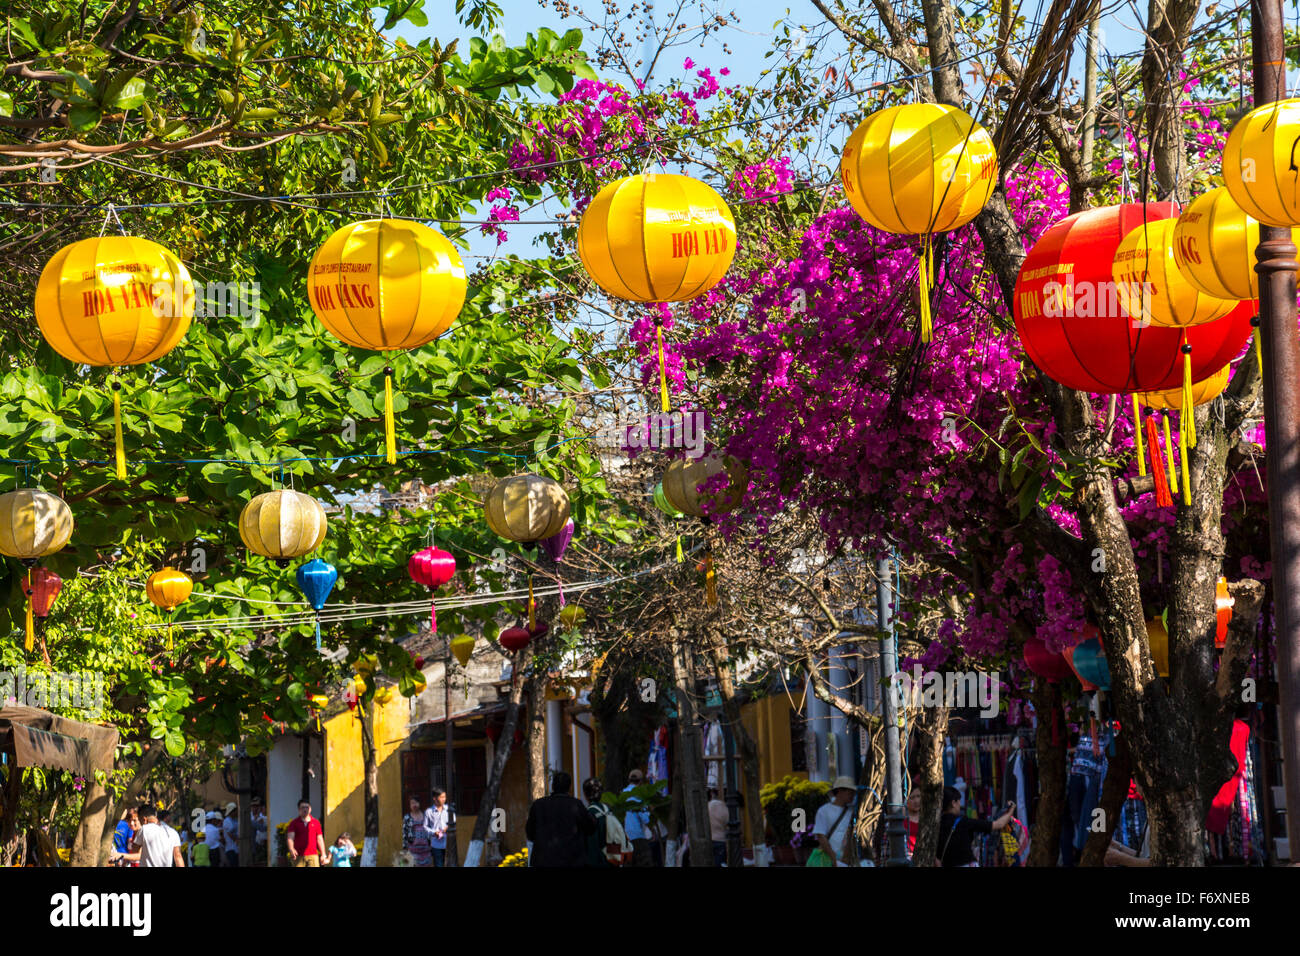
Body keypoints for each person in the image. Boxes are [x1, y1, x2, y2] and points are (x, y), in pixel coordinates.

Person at [525, 771, 596, 867]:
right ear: (569, 787)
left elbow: (530, 833)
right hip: (571, 861)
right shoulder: (576, 805)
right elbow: (590, 828)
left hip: (543, 861)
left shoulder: (538, 805)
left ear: (553, 786)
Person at [939, 786, 1016, 867]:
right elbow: (999, 824)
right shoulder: (964, 822)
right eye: (958, 801)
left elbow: (937, 860)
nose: (959, 805)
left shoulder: (936, 826)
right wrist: (1012, 809)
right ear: (953, 803)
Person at [812, 776, 859, 867]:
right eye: (850, 793)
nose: (853, 796)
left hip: (846, 860)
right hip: (827, 858)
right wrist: (833, 858)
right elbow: (821, 836)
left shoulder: (852, 812)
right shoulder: (824, 811)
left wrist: (845, 857)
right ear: (840, 791)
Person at [622, 769, 654, 866]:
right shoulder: (639, 794)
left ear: (629, 780)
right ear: (640, 782)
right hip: (639, 838)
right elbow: (646, 819)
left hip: (626, 839)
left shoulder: (623, 794)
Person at [582, 777, 613, 868]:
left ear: (585, 794)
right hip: (612, 858)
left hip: (599, 861)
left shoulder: (590, 813)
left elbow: (592, 845)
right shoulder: (608, 810)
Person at [287, 799, 327, 867]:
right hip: (298, 856)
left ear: (310, 809)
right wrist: (291, 849)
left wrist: (323, 854)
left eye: (307, 807)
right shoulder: (294, 823)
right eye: (302, 807)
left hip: (313, 856)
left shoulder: (316, 822)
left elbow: (319, 839)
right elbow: (290, 838)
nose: (305, 809)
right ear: (299, 809)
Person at [403, 796, 433, 867]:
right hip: (413, 851)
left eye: (416, 802)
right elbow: (405, 833)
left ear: (419, 803)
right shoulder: (407, 817)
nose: (414, 805)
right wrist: (405, 849)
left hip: (426, 850)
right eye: (412, 803)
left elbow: (430, 831)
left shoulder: (426, 815)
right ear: (410, 805)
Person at [425, 788, 451, 867]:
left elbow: (453, 822)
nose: (444, 799)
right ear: (435, 798)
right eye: (441, 797)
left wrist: (447, 828)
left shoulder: (449, 809)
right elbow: (425, 827)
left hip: (449, 843)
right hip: (436, 844)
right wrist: (433, 832)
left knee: (450, 864)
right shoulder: (429, 811)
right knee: (438, 864)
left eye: (444, 797)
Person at [707, 788, 729, 866]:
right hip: (721, 839)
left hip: (709, 840)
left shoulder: (707, 806)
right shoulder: (723, 806)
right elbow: (727, 821)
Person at [904, 789, 922, 859]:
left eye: (918, 796)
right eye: (912, 798)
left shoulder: (928, 819)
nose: (916, 801)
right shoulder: (901, 820)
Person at [250, 798, 268, 864]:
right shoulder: (249, 816)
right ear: (251, 807)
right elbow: (262, 828)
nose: (255, 807)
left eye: (257, 806)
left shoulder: (262, 815)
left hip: (262, 842)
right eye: (253, 806)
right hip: (253, 843)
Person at [222, 801, 239, 867]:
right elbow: (229, 833)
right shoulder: (227, 820)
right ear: (232, 811)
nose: (237, 812)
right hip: (230, 849)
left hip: (236, 849)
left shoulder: (235, 820)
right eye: (235, 810)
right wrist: (236, 840)